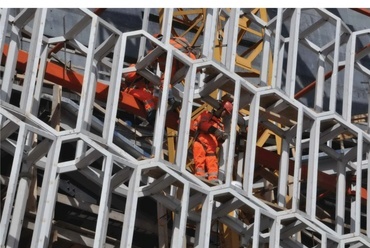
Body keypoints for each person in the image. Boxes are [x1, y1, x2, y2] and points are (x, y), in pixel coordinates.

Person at [191, 100, 233, 183]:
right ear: (222, 109)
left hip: (211, 149)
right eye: (225, 112)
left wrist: (222, 138)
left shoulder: (220, 124)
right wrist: (215, 131)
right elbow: (202, 125)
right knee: (199, 160)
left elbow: (219, 142)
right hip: (201, 143)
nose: (225, 115)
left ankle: (212, 178)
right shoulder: (207, 114)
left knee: (213, 163)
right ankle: (199, 174)